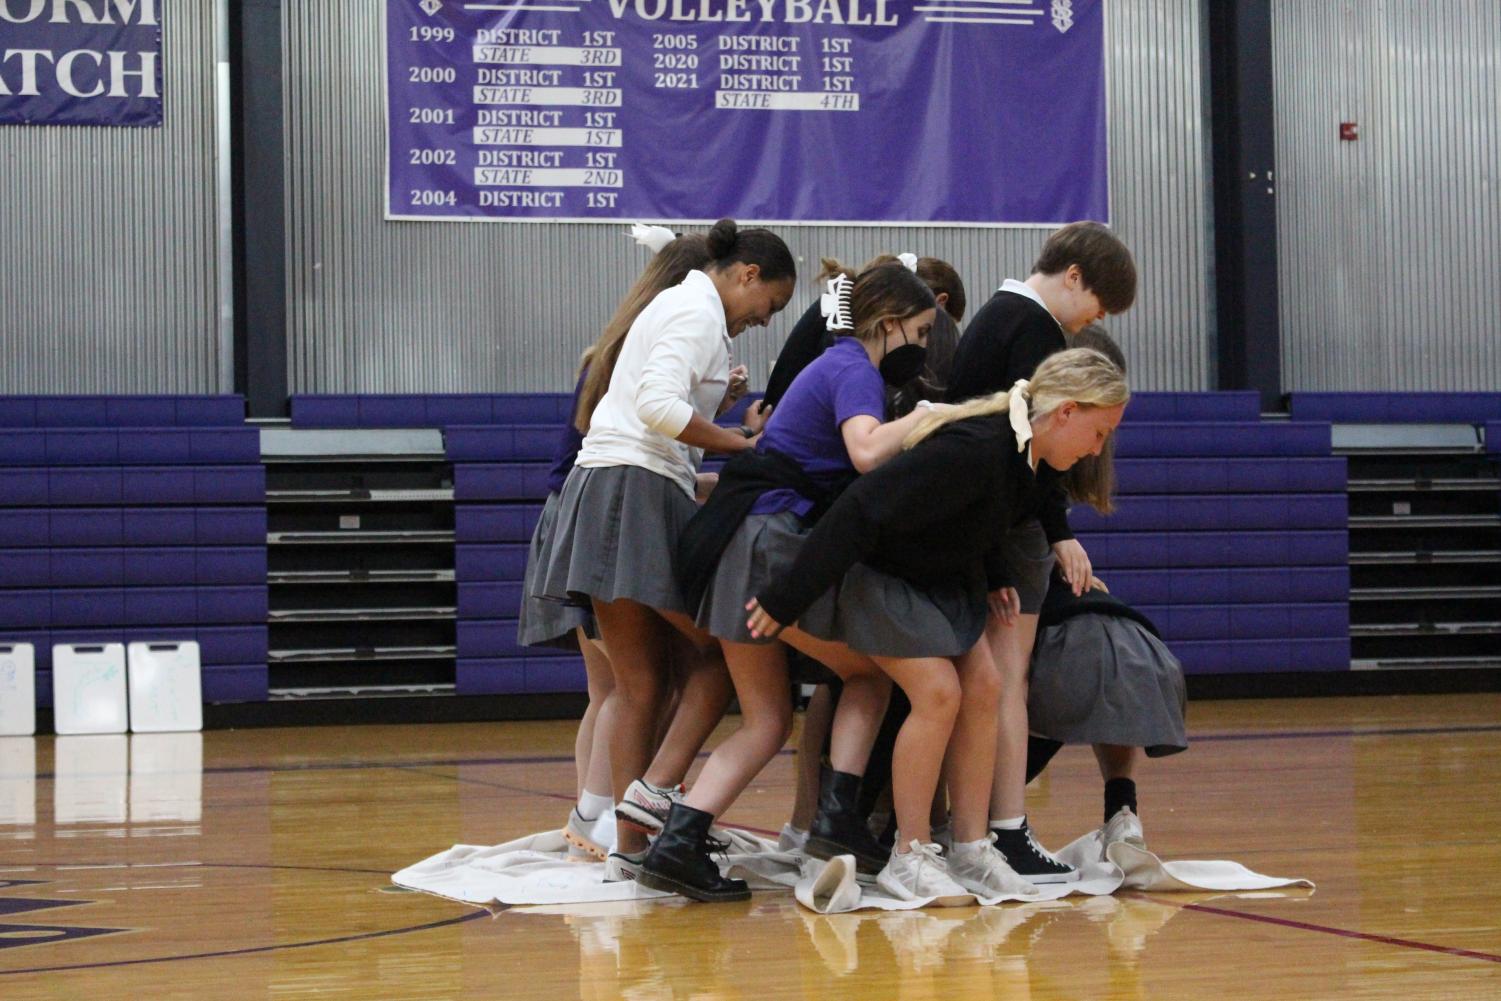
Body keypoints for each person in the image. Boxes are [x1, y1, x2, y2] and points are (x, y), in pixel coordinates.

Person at [747, 347, 1130, 901]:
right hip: (880, 574)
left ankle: (972, 850)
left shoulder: (1028, 462)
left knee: (986, 685)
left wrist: (996, 572)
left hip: (936, 578)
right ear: (1066, 412)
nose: (1100, 449)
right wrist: (789, 595)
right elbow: (860, 508)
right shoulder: (974, 448)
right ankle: (911, 854)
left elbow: (982, 518)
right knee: (937, 693)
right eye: (1100, 432)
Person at [638, 263, 946, 901]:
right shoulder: (853, 369)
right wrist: (927, 419)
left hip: (735, 549)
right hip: (767, 549)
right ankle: (835, 820)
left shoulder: (828, 367)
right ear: (887, 325)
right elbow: (864, 451)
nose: (921, 346)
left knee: (767, 720)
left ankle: (678, 843)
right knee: (869, 674)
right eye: (919, 331)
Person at [539, 218, 796, 882]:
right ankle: (656, 799)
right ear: (745, 275)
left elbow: (646, 405)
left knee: (640, 683)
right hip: (632, 492)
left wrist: (717, 407)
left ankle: (629, 838)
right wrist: (738, 442)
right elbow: (655, 406)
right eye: (767, 306)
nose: (763, 322)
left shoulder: (674, 304)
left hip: (606, 489)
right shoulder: (697, 311)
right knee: (715, 654)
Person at [946, 222, 1137, 883]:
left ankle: (974, 830)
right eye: (1099, 308)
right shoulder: (1031, 329)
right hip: (1010, 525)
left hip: (985, 520)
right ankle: (1002, 830)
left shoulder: (994, 320)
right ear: (1074, 277)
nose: (1094, 323)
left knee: (985, 683)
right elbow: (1031, 445)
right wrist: (1056, 529)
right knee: (1005, 683)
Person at [517, 228, 714, 860]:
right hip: (603, 511)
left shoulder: (613, 343)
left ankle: (595, 814)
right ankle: (600, 816)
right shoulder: (655, 343)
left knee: (611, 689)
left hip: (574, 510)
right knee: (637, 686)